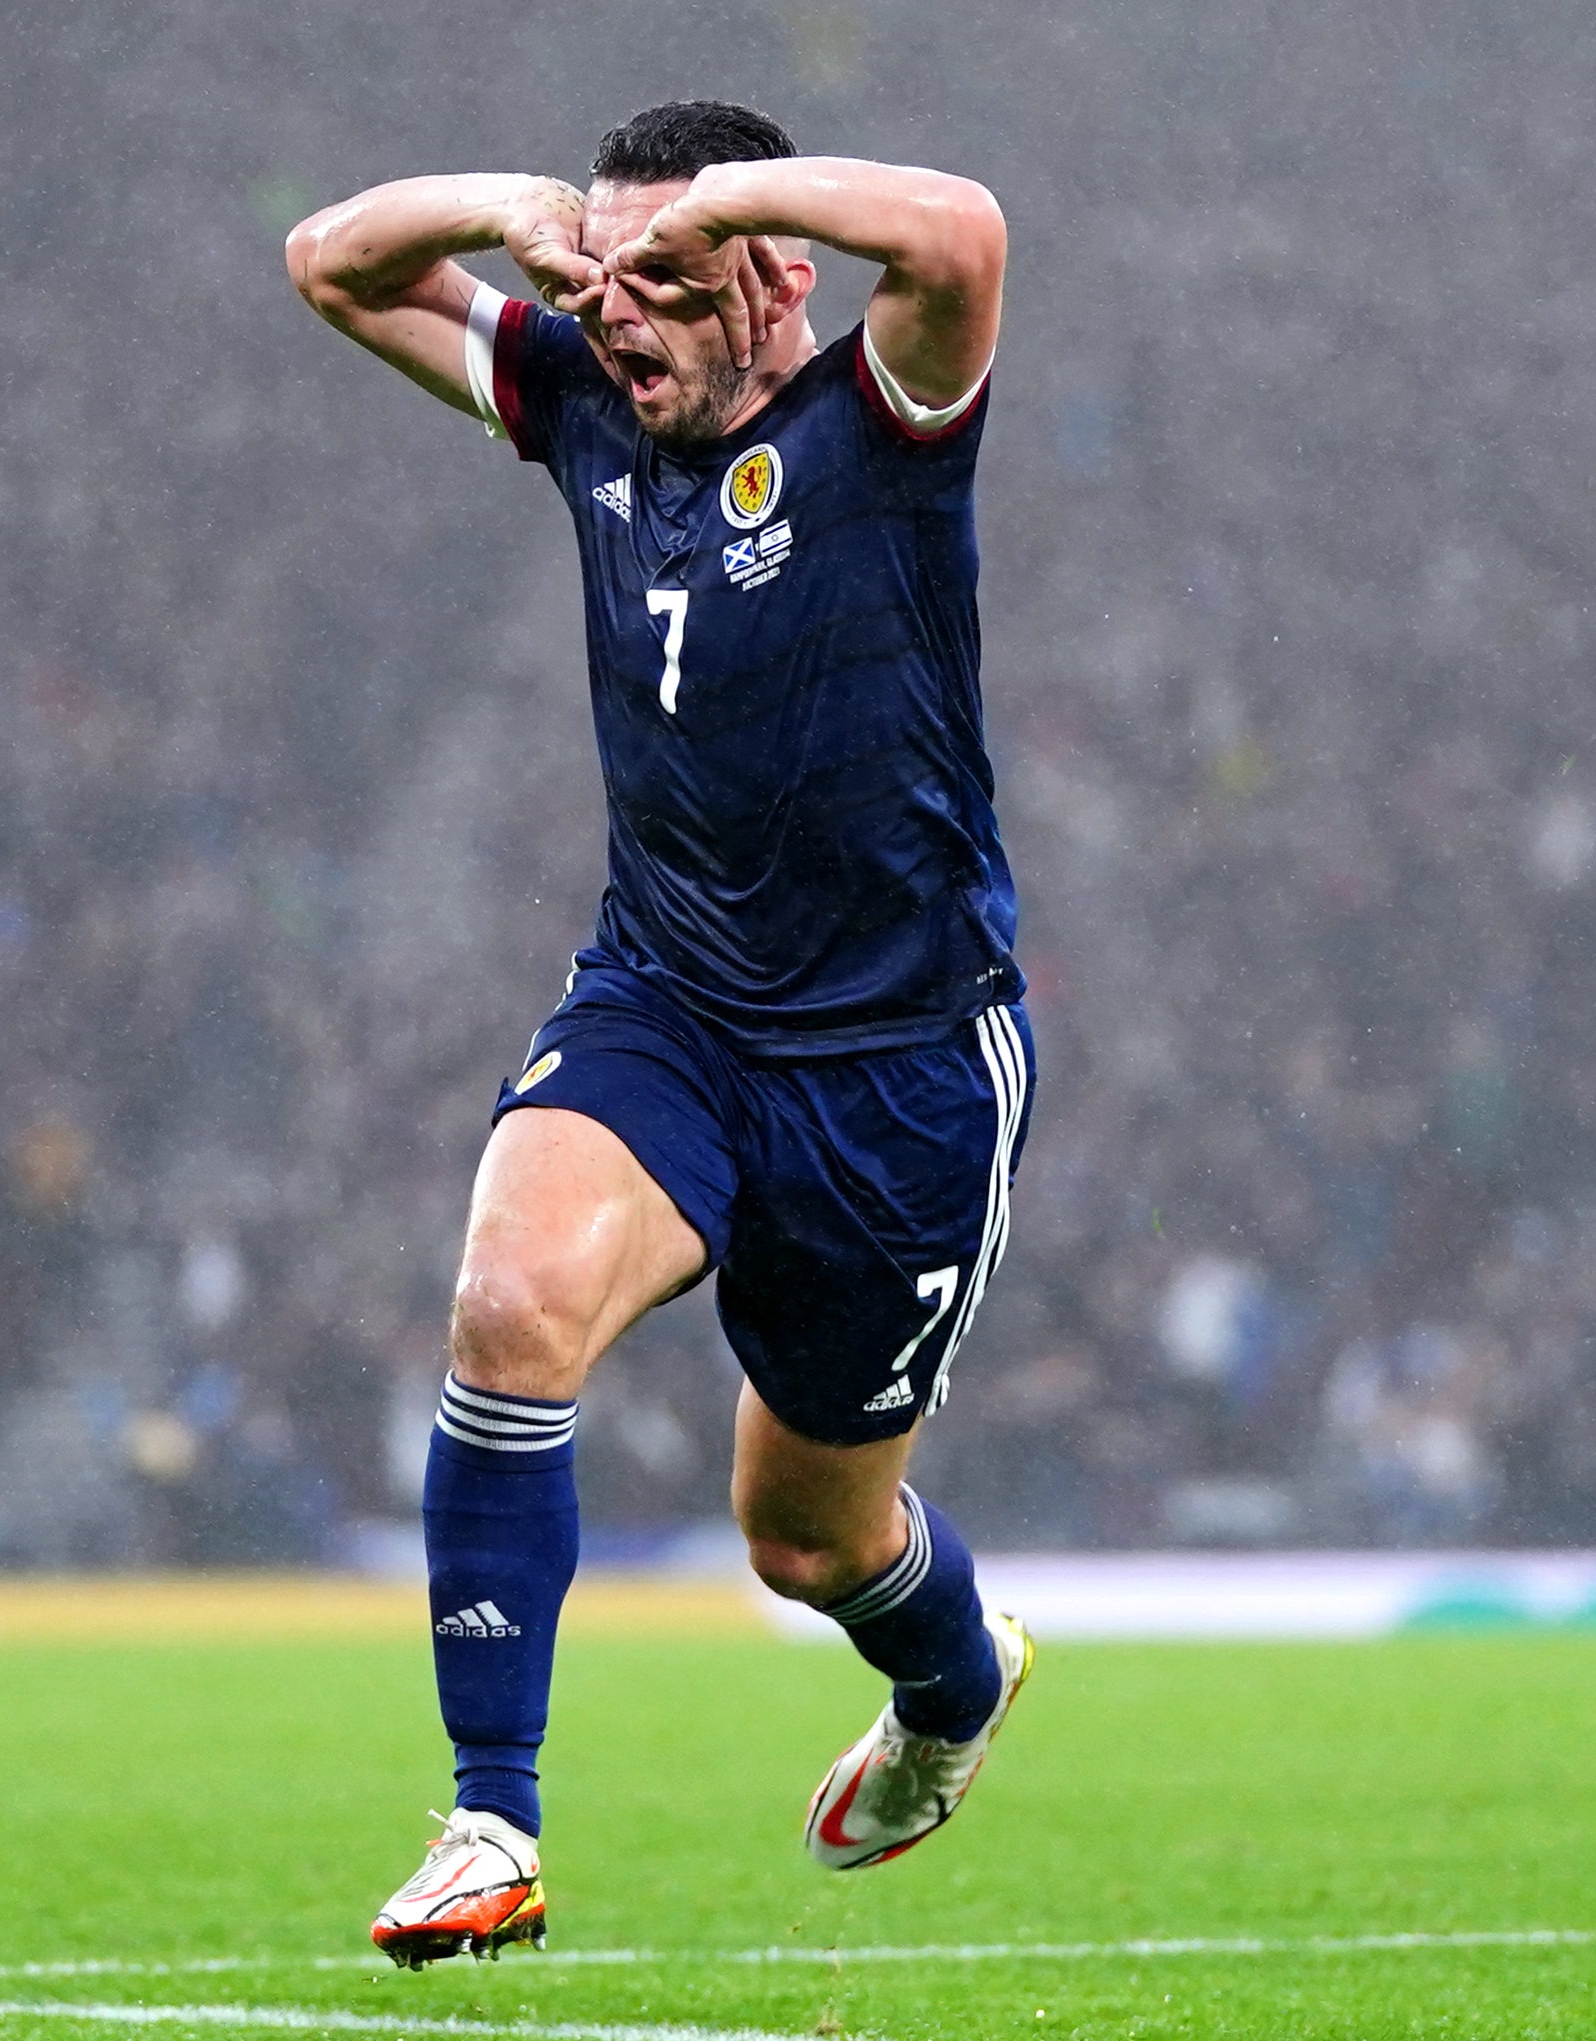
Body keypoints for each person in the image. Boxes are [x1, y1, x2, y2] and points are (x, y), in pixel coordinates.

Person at [287, 101, 1035, 1964]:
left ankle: (954, 1682)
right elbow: (329, 264)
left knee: (808, 1540)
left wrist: (725, 204)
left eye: (670, 281)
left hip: (900, 1064)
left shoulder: (879, 420)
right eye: (602, 284)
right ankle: (492, 1822)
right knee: (507, 1302)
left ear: (777, 276)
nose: (623, 319)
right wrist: (513, 215)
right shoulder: (585, 403)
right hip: (670, 1003)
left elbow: (962, 232)